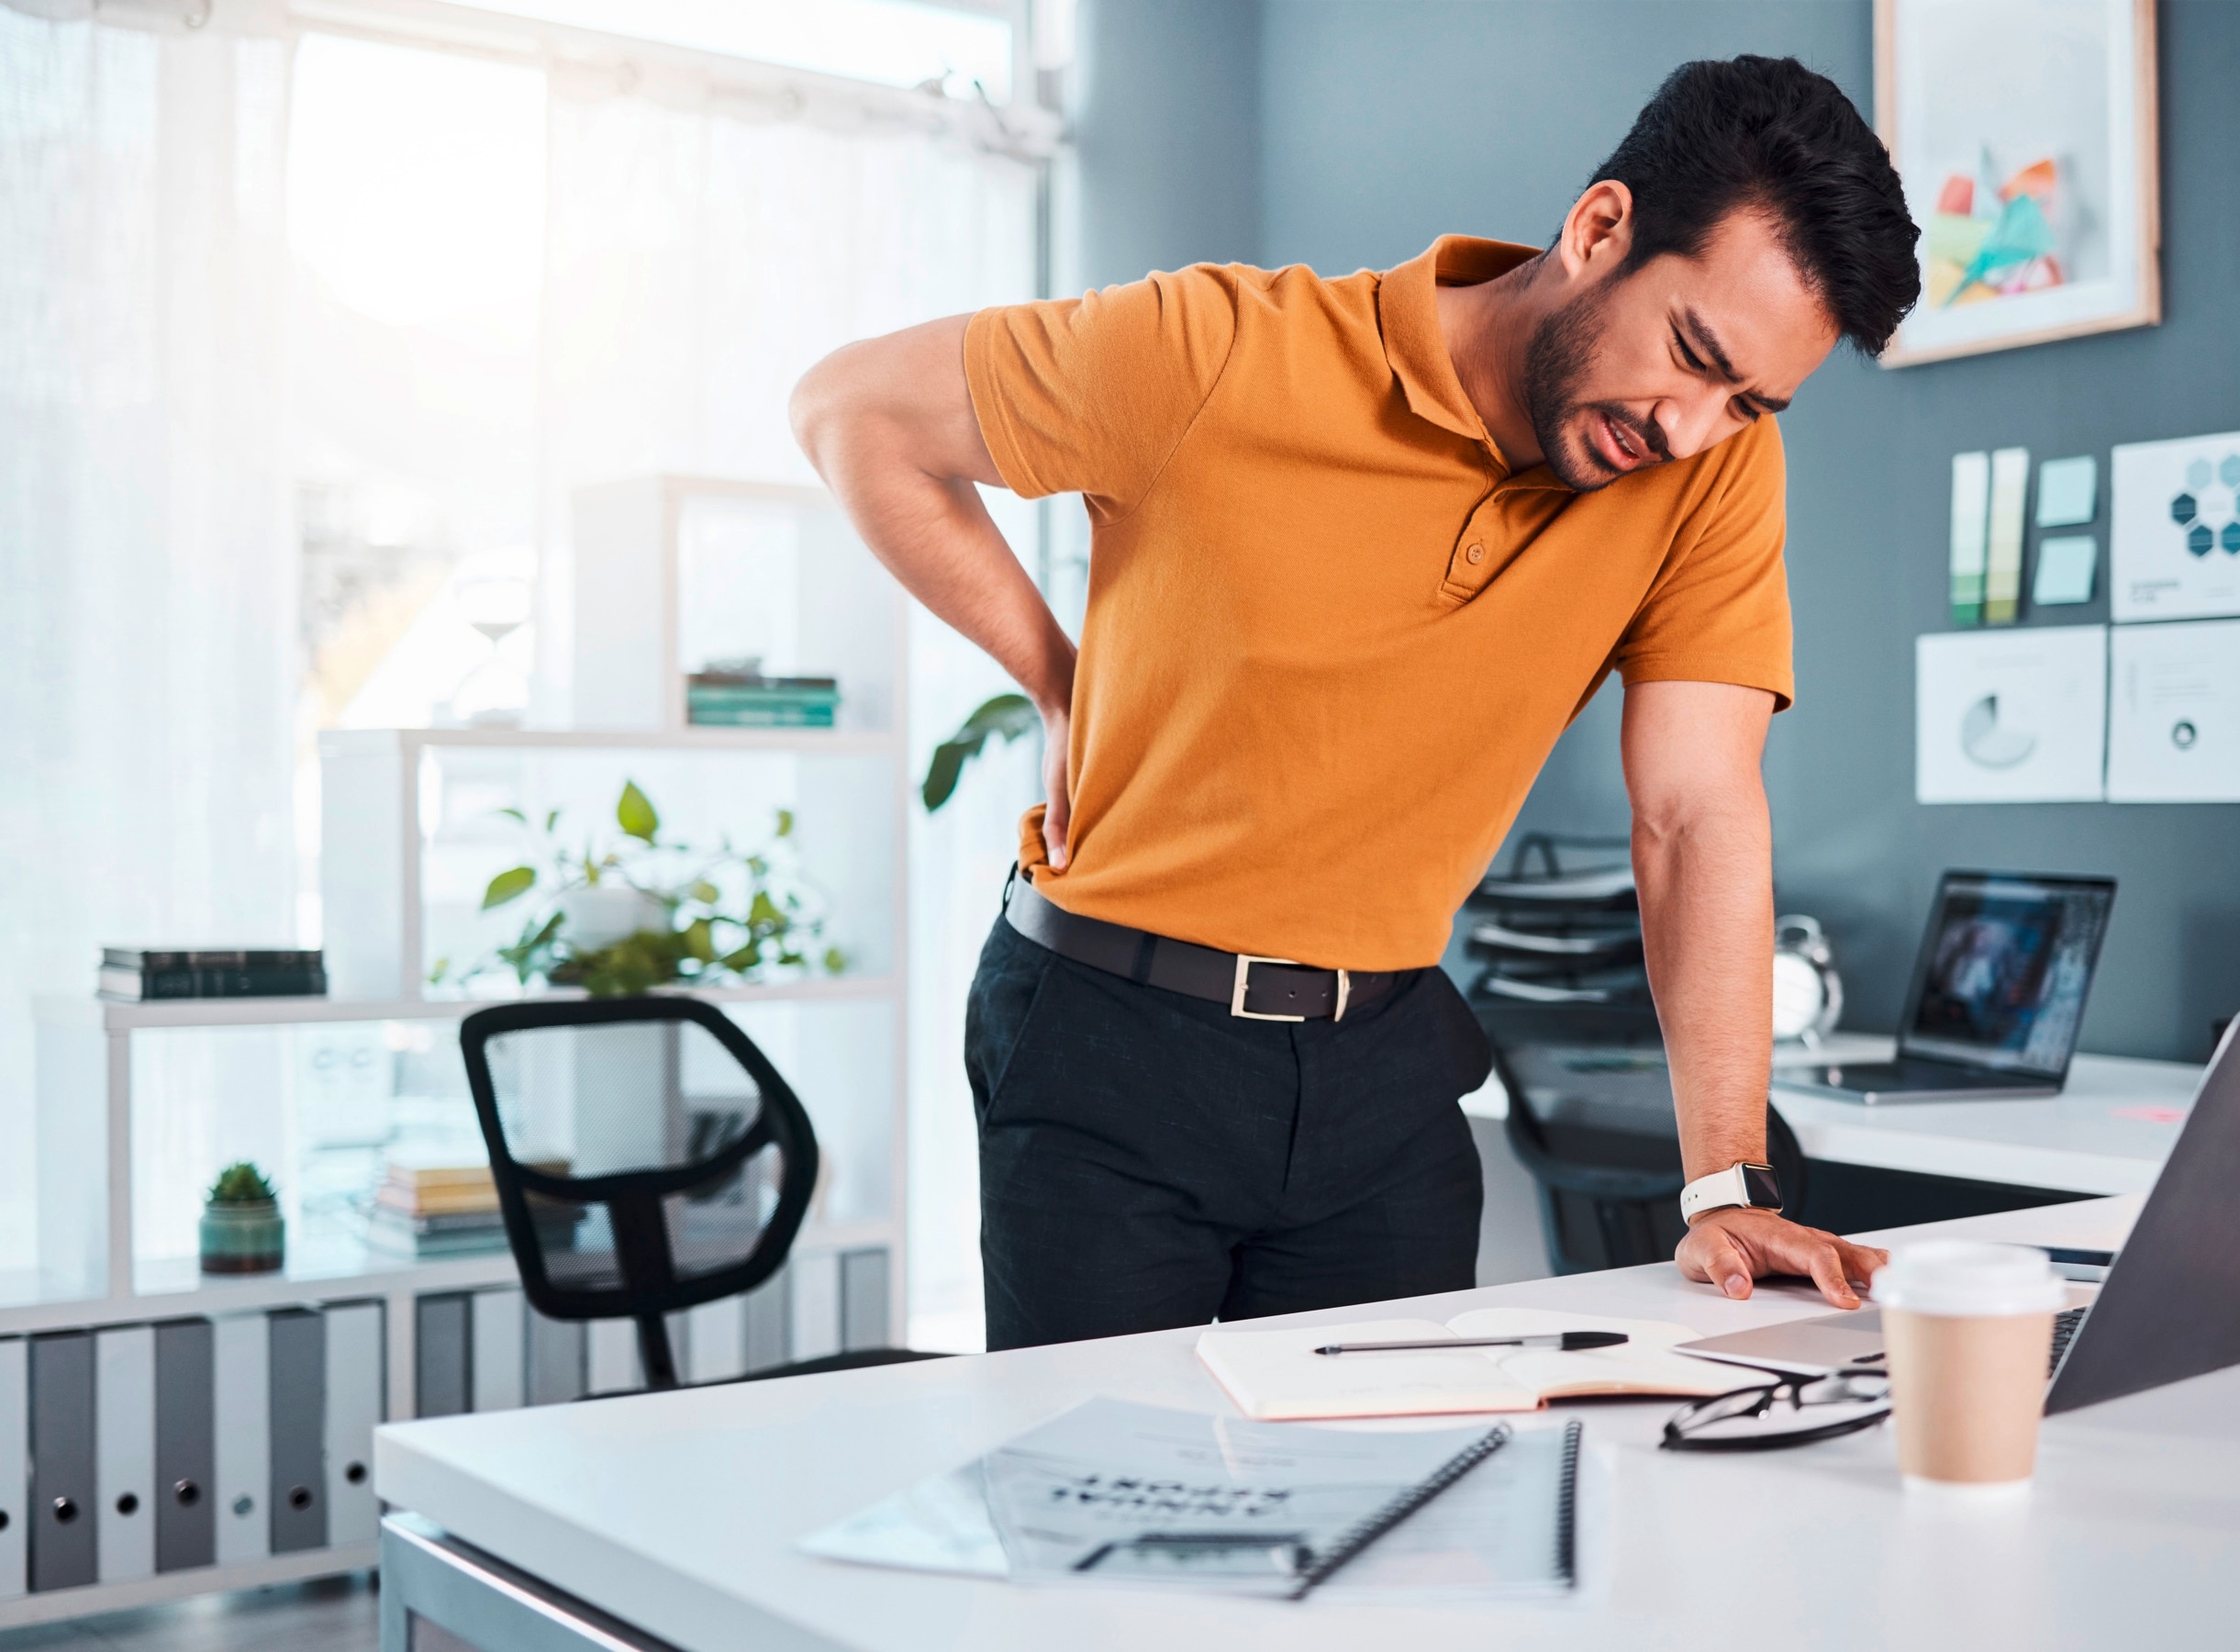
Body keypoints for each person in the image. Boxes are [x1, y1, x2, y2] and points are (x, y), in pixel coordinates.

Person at [792, 55, 1921, 1350]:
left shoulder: (1711, 472)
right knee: (1107, 1501)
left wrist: (1725, 1183)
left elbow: (1697, 810)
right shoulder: (1221, 350)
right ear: (1600, 229)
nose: (1689, 428)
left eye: (1749, 403)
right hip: (1110, 1032)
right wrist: (1057, 680)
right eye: (1693, 356)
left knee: (1392, 1501)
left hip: (1382, 1061)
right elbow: (851, 413)